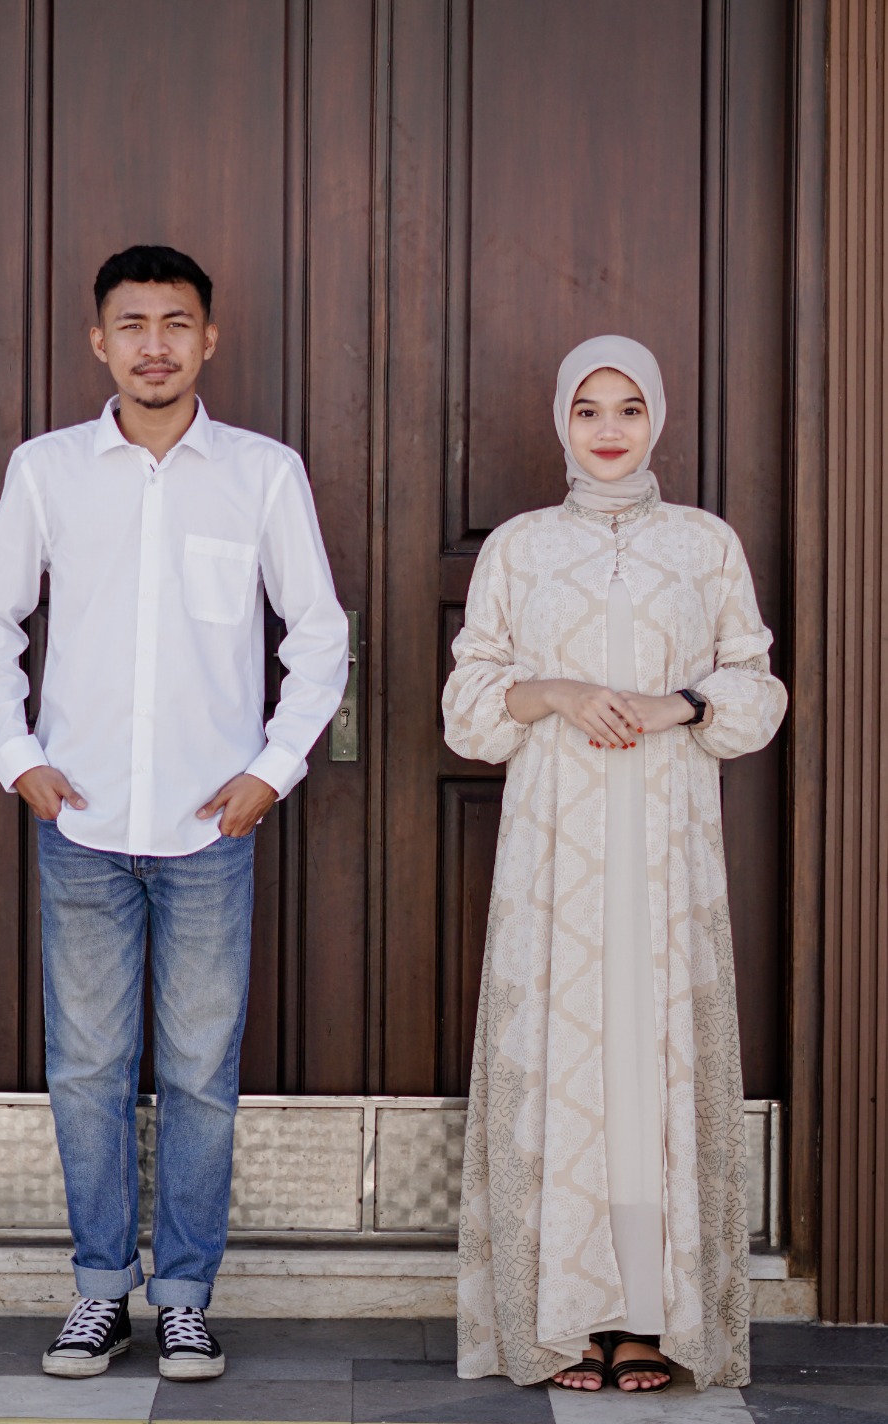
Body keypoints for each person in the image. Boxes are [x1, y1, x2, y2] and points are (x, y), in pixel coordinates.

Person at [0, 244, 348, 1381]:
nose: (154, 345)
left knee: (197, 1073)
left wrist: (272, 768)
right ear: (99, 341)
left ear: (208, 339)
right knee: (86, 1067)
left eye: (176, 323)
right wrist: (17, 756)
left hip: (207, 827)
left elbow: (318, 634)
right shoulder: (46, 471)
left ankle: (182, 1297)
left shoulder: (262, 473)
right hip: (79, 821)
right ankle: (98, 1292)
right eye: (131, 324)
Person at [443, 335, 786, 1394]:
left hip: (667, 844)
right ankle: (566, 1313)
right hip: (557, 850)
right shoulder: (519, 547)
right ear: (561, 419)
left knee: (649, 1059)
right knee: (567, 1056)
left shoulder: (703, 544)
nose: (606, 429)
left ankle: (647, 1316)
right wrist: (553, 692)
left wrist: (675, 704)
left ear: (656, 419)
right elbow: (469, 706)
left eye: (628, 408)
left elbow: (754, 688)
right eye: (586, 408)